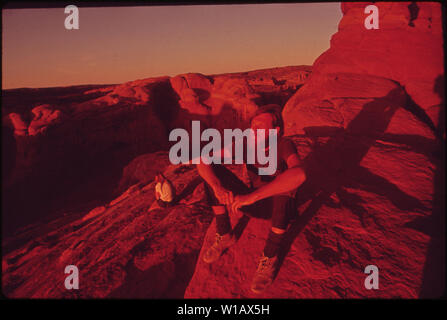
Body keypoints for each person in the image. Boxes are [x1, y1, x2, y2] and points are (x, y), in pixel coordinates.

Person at [196, 104, 307, 293]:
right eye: (252, 127)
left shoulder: (284, 144)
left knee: (285, 187)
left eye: (259, 127)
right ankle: (224, 234)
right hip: (253, 201)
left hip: (278, 206)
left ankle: (270, 255)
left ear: (275, 130)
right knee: (211, 174)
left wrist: (252, 196)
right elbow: (203, 159)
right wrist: (217, 187)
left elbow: (300, 175)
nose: (253, 131)